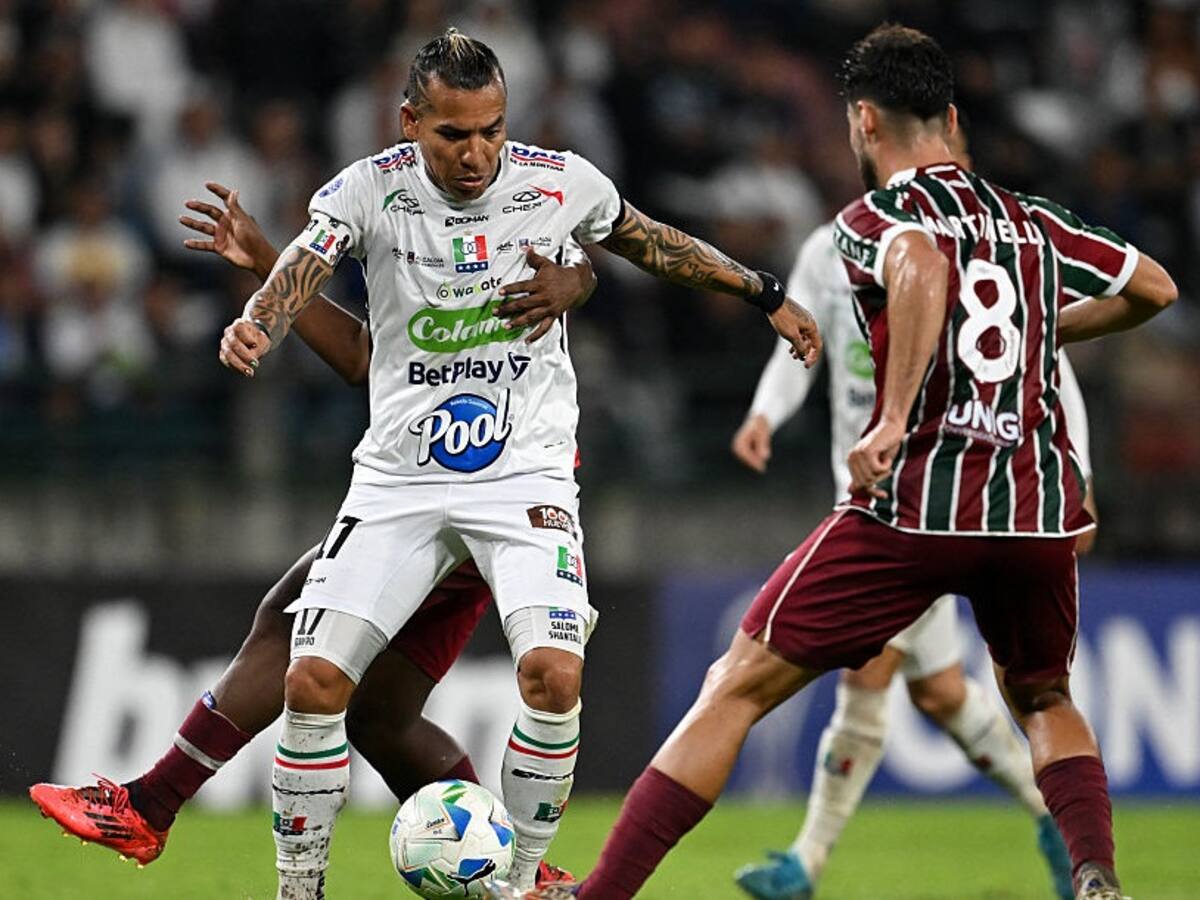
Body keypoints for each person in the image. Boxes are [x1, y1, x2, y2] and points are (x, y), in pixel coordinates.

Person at [487, 24, 1176, 900]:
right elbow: (1152, 287)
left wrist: (892, 420)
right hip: (1034, 508)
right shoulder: (1030, 220)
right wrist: (1046, 328)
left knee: (734, 687)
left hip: (916, 504)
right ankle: (1094, 874)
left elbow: (921, 264)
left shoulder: (874, 218)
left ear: (861, 122)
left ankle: (599, 897)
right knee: (1042, 699)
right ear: (952, 117)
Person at [219, 28, 819, 900]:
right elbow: (306, 263)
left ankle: (525, 884)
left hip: (525, 475)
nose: (476, 154)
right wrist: (259, 322)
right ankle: (298, 891)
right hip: (400, 477)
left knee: (554, 674)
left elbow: (652, 242)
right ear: (410, 122)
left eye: (491, 130)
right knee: (313, 682)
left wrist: (763, 293)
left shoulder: (559, 181)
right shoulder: (367, 189)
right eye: (453, 135)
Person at [29, 183, 593, 894]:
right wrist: (267, 258)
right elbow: (366, 356)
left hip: (468, 488)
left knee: (295, 621)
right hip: (456, 484)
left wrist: (584, 278)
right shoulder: (430, 219)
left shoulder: (469, 227)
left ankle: (149, 805)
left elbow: (593, 248)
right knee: (380, 718)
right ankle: (527, 876)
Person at [729, 124, 1097, 900]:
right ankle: (1050, 816)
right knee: (941, 695)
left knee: (869, 675)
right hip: (864, 497)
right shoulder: (832, 251)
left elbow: (1049, 371)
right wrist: (765, 414)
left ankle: (806, 862)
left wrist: (1082, 474)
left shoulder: (971, 260)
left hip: (930, 505)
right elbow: (799, 345)